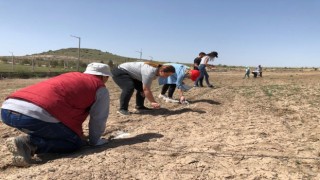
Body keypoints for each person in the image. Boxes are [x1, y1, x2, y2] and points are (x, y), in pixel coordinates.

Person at [1, 62, 112, 167]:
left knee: (53, 126)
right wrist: (94, 141)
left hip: (7, 110)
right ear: (104, 77)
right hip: (34, 116)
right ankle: (29, 144)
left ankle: (31, 140)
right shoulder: (99, 87)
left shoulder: (71, 76)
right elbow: (98, 118)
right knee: (74, 143)